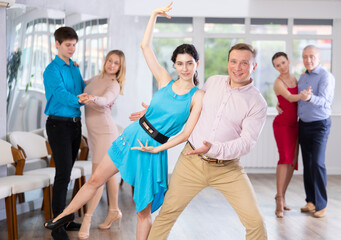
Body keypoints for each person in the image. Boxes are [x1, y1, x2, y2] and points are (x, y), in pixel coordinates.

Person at [44, 3, 204, 240]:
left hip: (152, 149)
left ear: (196, 64)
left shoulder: (198, 96)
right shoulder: (164, 80)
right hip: (132, 135)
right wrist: (153, 15)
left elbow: (185, 133)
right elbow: (145, 46)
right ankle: (62, 217)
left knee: (142, 211)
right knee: (97, 178)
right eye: (180, 63)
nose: (184, 68)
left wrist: (158, 147)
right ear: (174, 65)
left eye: (189, 63)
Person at [144, 42, 268, 239]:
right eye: (233, 61)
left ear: (253, 66)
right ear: (228, 62)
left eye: (244, 63)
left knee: (255, 222)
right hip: (191, 162)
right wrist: (153, 112)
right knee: (167, 213)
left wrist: (214, 148)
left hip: (228, 169)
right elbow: (190, 107)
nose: (237, 67)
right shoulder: (213, 82)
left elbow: (246, 143)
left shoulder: (257, 103)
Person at [43, 26, 90, 240]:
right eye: (68, 45)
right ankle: (57, 226)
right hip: (58, 125)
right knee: (62, 175)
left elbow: (82, 87)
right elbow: (62, 95)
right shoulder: (52, 70)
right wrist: (79, 100)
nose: (72, 49)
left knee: (68, 174)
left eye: (74, 45)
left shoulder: (74, 67)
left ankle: (66, 217)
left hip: (74, 125)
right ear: (57, 44)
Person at [76, 50, 126, 239]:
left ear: (120, 68)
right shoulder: (96, 79)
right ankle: (114, 210)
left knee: (97, 177)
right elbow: (82, 85)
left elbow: (106, 99)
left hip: (105, 133)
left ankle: (87, 219)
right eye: (110, 61)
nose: (112, 65)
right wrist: (76, 70)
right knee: (109, 175)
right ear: (105, 61)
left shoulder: (114, 85)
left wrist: (93, 99)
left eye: (116, 63)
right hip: (94, 134)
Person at [297, 45, 335, 218]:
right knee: (308, 164)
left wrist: (310, 97)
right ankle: (311, 201)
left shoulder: (326, 76)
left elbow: (326, 102)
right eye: (305, 56)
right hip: (303, 125)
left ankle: (321, 204)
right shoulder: (303, 77)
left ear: (318, 58)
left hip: (320, 125)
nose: (308, 60)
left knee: (318, 163)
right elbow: (298, 99)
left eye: (311, 56)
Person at [272, 52, 306, 218]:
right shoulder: (278, 82)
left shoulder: (296, 78)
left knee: (292, 162)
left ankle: (282, 196)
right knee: (284, 159)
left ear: (288, 61)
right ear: (275, 68)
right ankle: (279, 200)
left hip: (295, 125)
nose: (282, 67)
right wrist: (303, 96)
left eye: (283, 63)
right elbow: (291, 98)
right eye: (278, 65)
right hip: (283, 125)